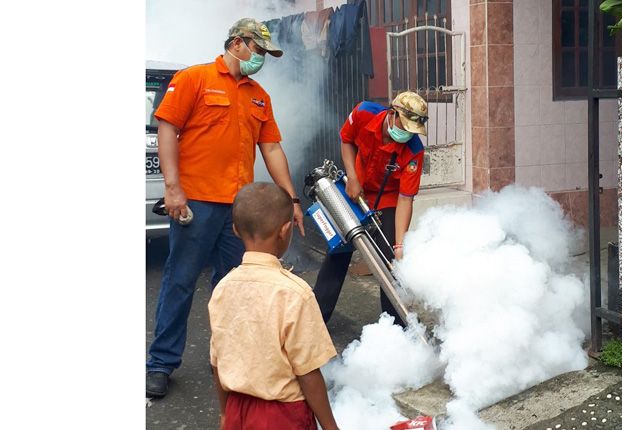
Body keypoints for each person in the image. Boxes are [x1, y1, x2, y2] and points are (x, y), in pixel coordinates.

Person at [146, 18, 306, 398]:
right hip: (197, 202)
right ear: (237, 43)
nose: (261, 59)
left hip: (240, 208)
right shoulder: (194, 79)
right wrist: (173, 188)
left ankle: (229, 356)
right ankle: (161, 364)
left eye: (266, 55)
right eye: (259, 51)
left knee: (235, 286)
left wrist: (291, 198)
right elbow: (167, 128)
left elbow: (271, 149)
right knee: (180, 281)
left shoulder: (259, 96)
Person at [209, 182, 339, 430]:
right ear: (285, 230)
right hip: (283, 415)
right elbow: (308, 373)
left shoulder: (223, 289)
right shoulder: (295, 294)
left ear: (235, 230)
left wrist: (225, 414)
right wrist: (331, 427)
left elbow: (218, 362)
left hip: (237, 408)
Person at [313, 91, 428, 325]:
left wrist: (399, 245)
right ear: (392, 113)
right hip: (355, 192)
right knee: (337, 253)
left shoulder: (414, 150)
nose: (406, 134)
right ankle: (316, 321)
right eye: (404, 126)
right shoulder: (364, 112)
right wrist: (353, 178)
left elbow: (405, 199)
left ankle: (393, 327)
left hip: (387, 199)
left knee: (389, 263)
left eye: (412, 130)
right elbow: (346, 140)